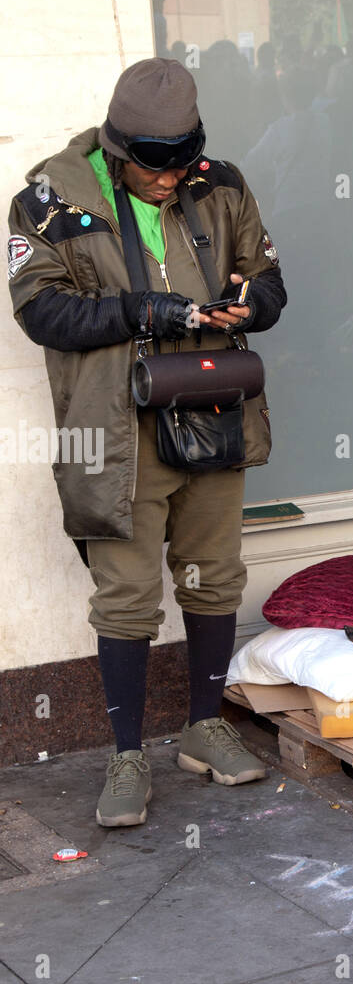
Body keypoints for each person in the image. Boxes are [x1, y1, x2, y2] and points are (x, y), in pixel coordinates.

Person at [6, 58, 287, 824]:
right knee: (127, 596)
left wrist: (244, 306)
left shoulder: (219, 183)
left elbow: (269, 281)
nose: (171, 183)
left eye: (181, 168)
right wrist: (148, 313)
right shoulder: (47, 200)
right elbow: (42, 315)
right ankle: (127, 755)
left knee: (213, 577)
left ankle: (203, 729)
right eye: (152, 172)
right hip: (115, 431)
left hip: (214, 412)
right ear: (117, 148)